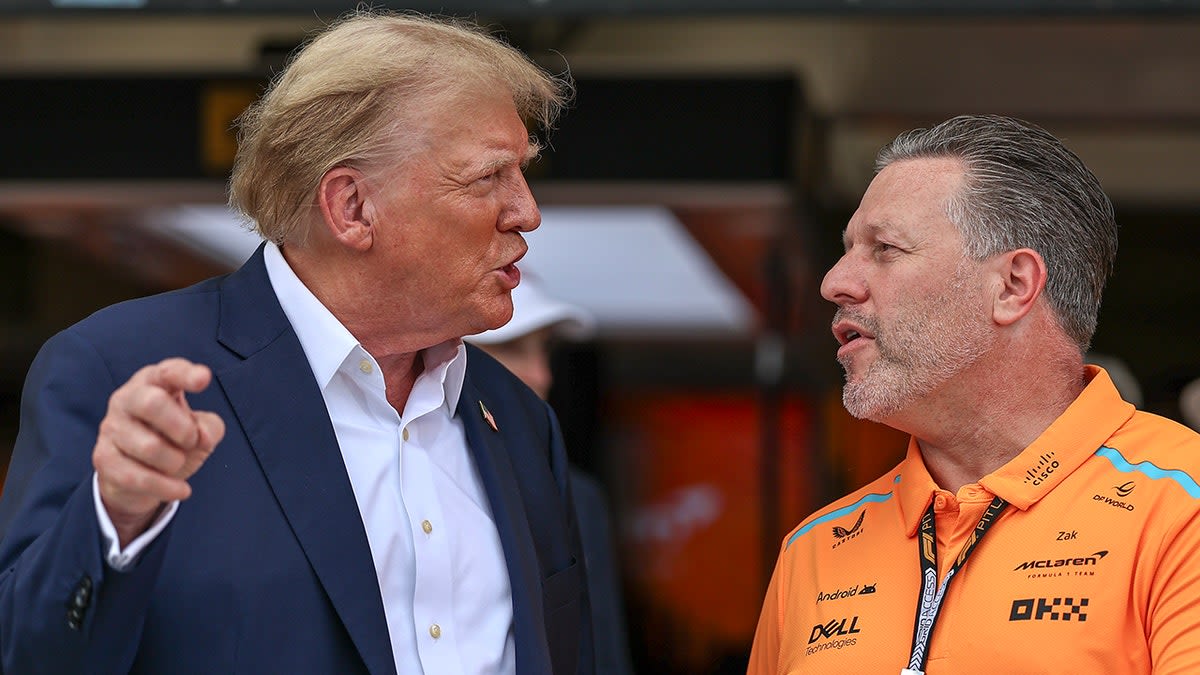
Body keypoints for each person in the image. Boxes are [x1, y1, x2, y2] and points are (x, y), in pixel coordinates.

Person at [0, 11, 593, 675]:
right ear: (352, 208)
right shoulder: (122, 370)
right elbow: (27, 654)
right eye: (489, 177)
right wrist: (111, 518)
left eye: (522, 172)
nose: (526, 211)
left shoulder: (517, 419)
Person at [748, 114, 1200, 674]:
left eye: (885, 248)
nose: (834, 281)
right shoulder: (812, 551)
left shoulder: (1183, 506)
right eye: (847, 249)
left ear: (1012, 286)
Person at [465, 273, 635, 675]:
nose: (542, 375)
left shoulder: (579, 495)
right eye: (510, 347)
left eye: (544, 350)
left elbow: (603, 655)